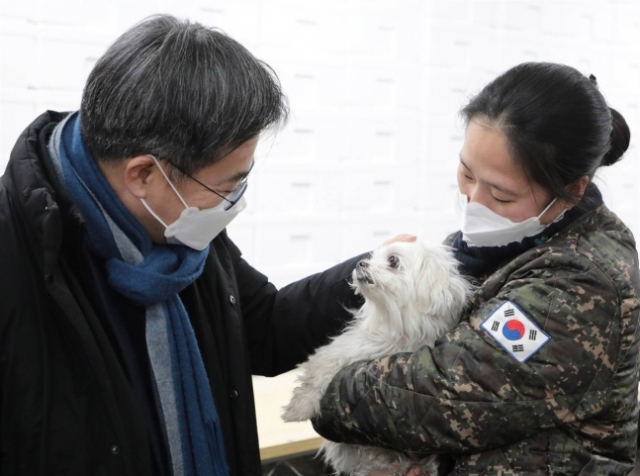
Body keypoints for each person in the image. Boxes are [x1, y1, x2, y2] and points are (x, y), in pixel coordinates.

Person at [0, 15, 369, 476]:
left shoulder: (185, 234)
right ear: (144, 175)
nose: (233, 202)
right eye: (227, 184)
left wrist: (377, 274)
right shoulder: (20, 262)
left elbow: (264, 328)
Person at [312, 62, 639, 475]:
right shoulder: (483, 247)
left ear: (572, 189)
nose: (474, 201)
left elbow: (445, 394)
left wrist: (326, 387)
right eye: (467, 174)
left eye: (500, 194)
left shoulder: (579, 283)